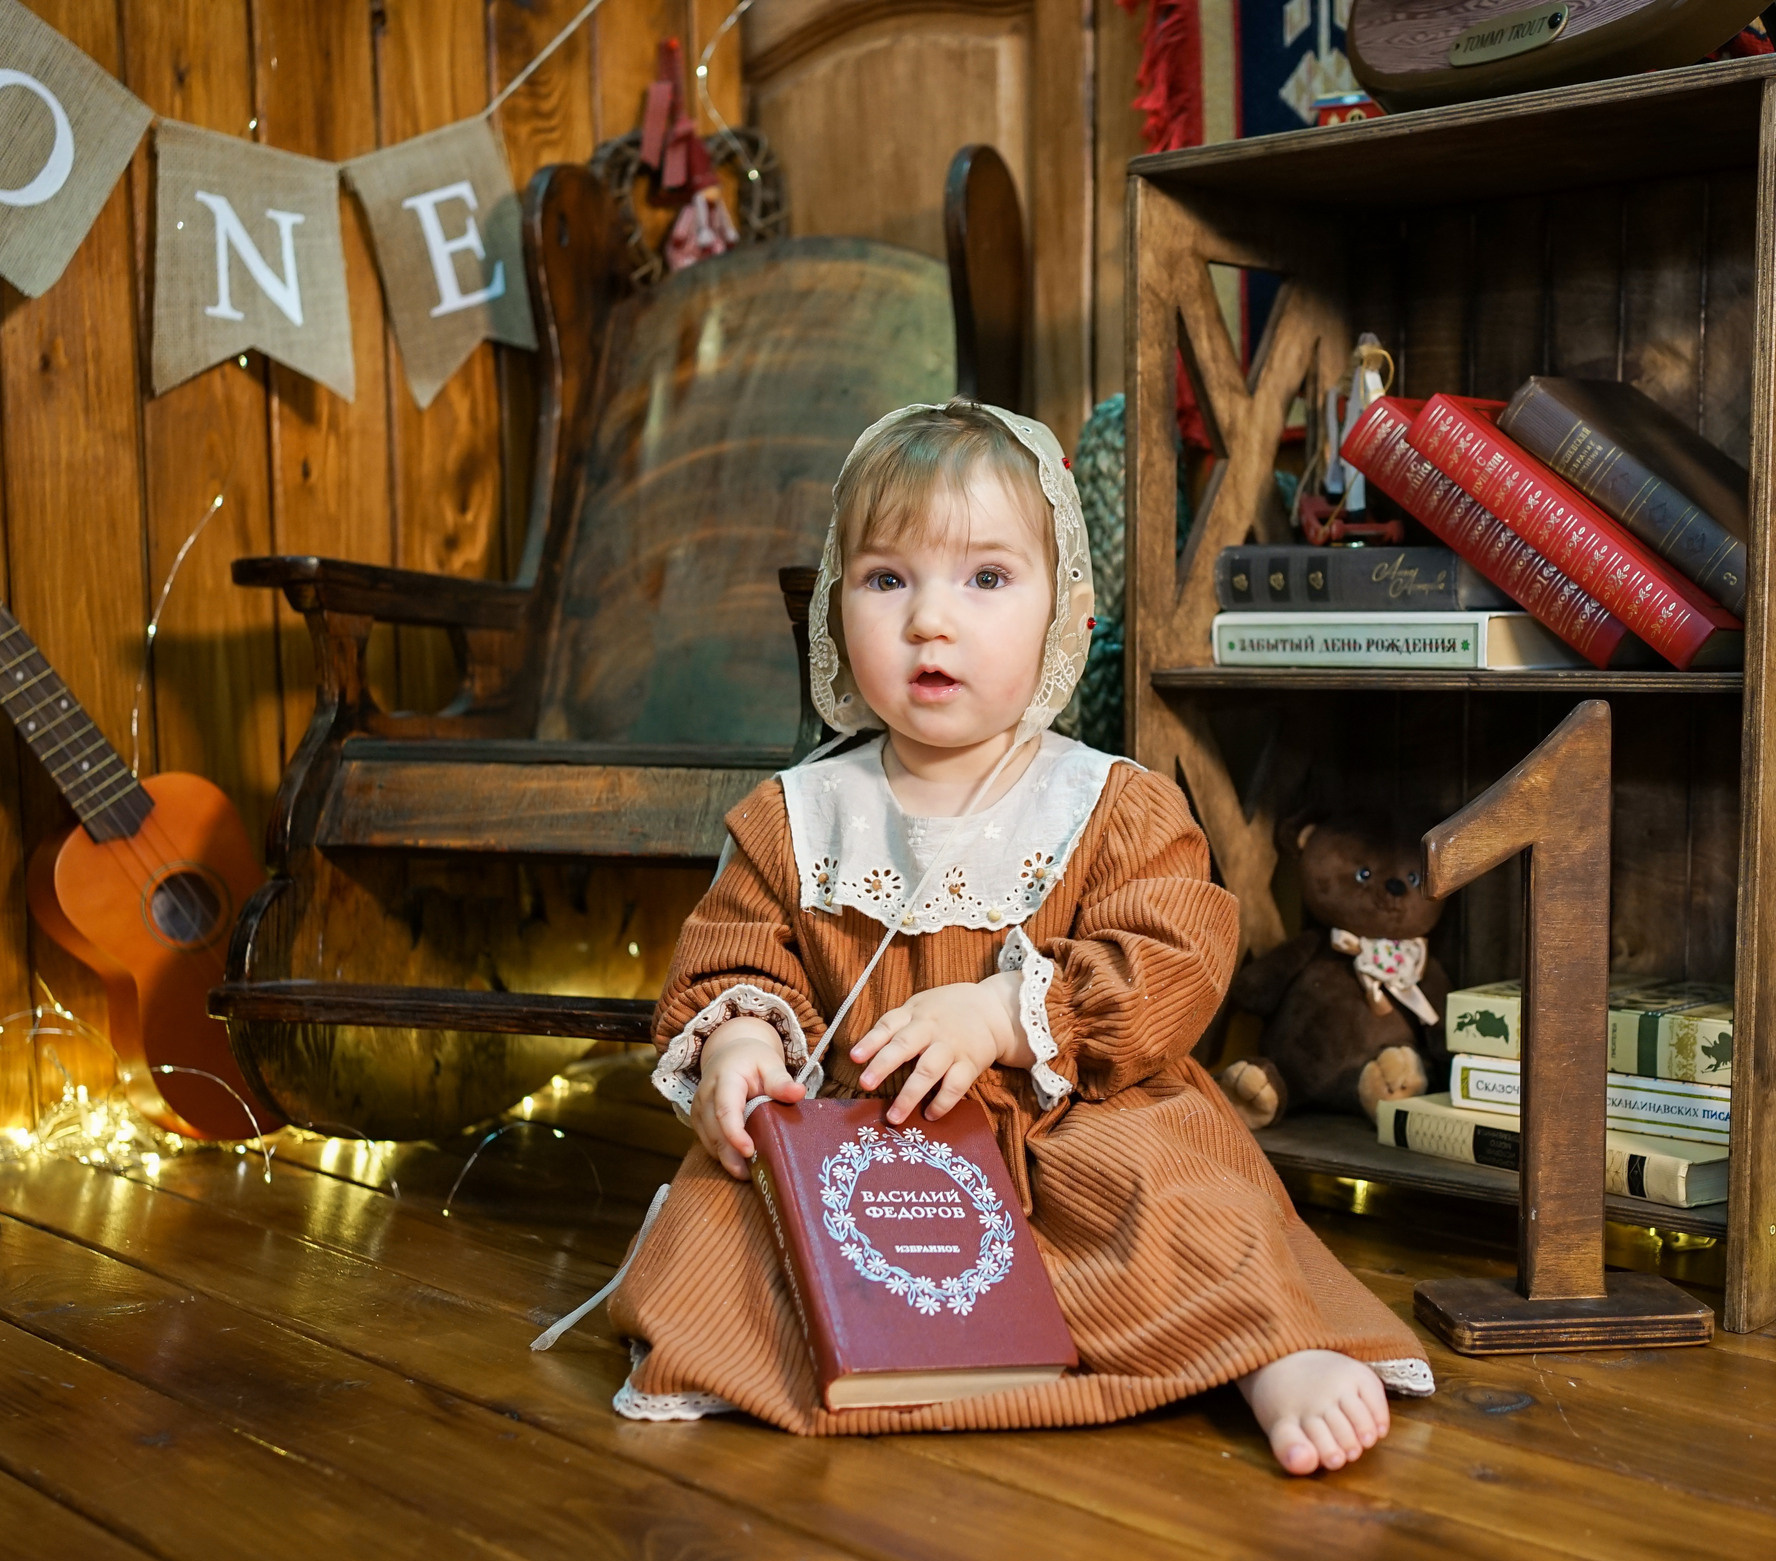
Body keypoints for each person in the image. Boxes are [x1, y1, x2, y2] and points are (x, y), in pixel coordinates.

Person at [603, 398, 1431, 1474]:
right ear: (835, 611)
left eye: (986, 578)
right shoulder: (798, 815)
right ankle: (823, 1346)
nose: (929, 622)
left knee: (1182, 1187)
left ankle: (1260, 1346)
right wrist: (743, 1045)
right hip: (875, 1140)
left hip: (1068, 1120)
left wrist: (1007, 1011)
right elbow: (738, 948)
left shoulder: (1106, 805)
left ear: (1065, 618)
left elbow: (1175, 957)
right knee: (728, 1212)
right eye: (886, 579)